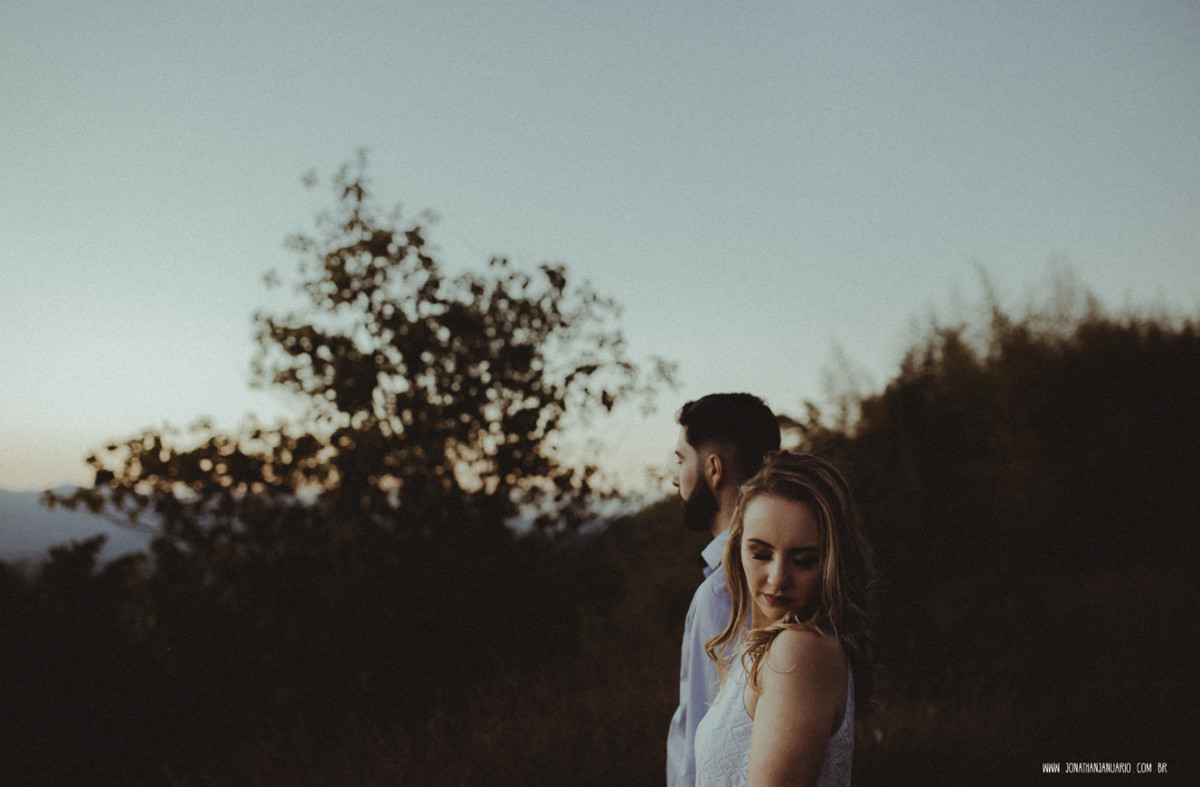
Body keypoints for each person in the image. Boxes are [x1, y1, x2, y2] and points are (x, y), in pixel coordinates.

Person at [694, 451, 875, 787]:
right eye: (761, 553)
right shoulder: (767, 647)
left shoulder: (800, 651)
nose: (777, 578)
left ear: (832, 564)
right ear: (737, 550)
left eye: (804, 560)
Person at [667, 393, 781, 787]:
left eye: (681, 460)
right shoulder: (784, 580)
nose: (673, 476)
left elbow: (706, 741)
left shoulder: (721, 591)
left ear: (714, 468)